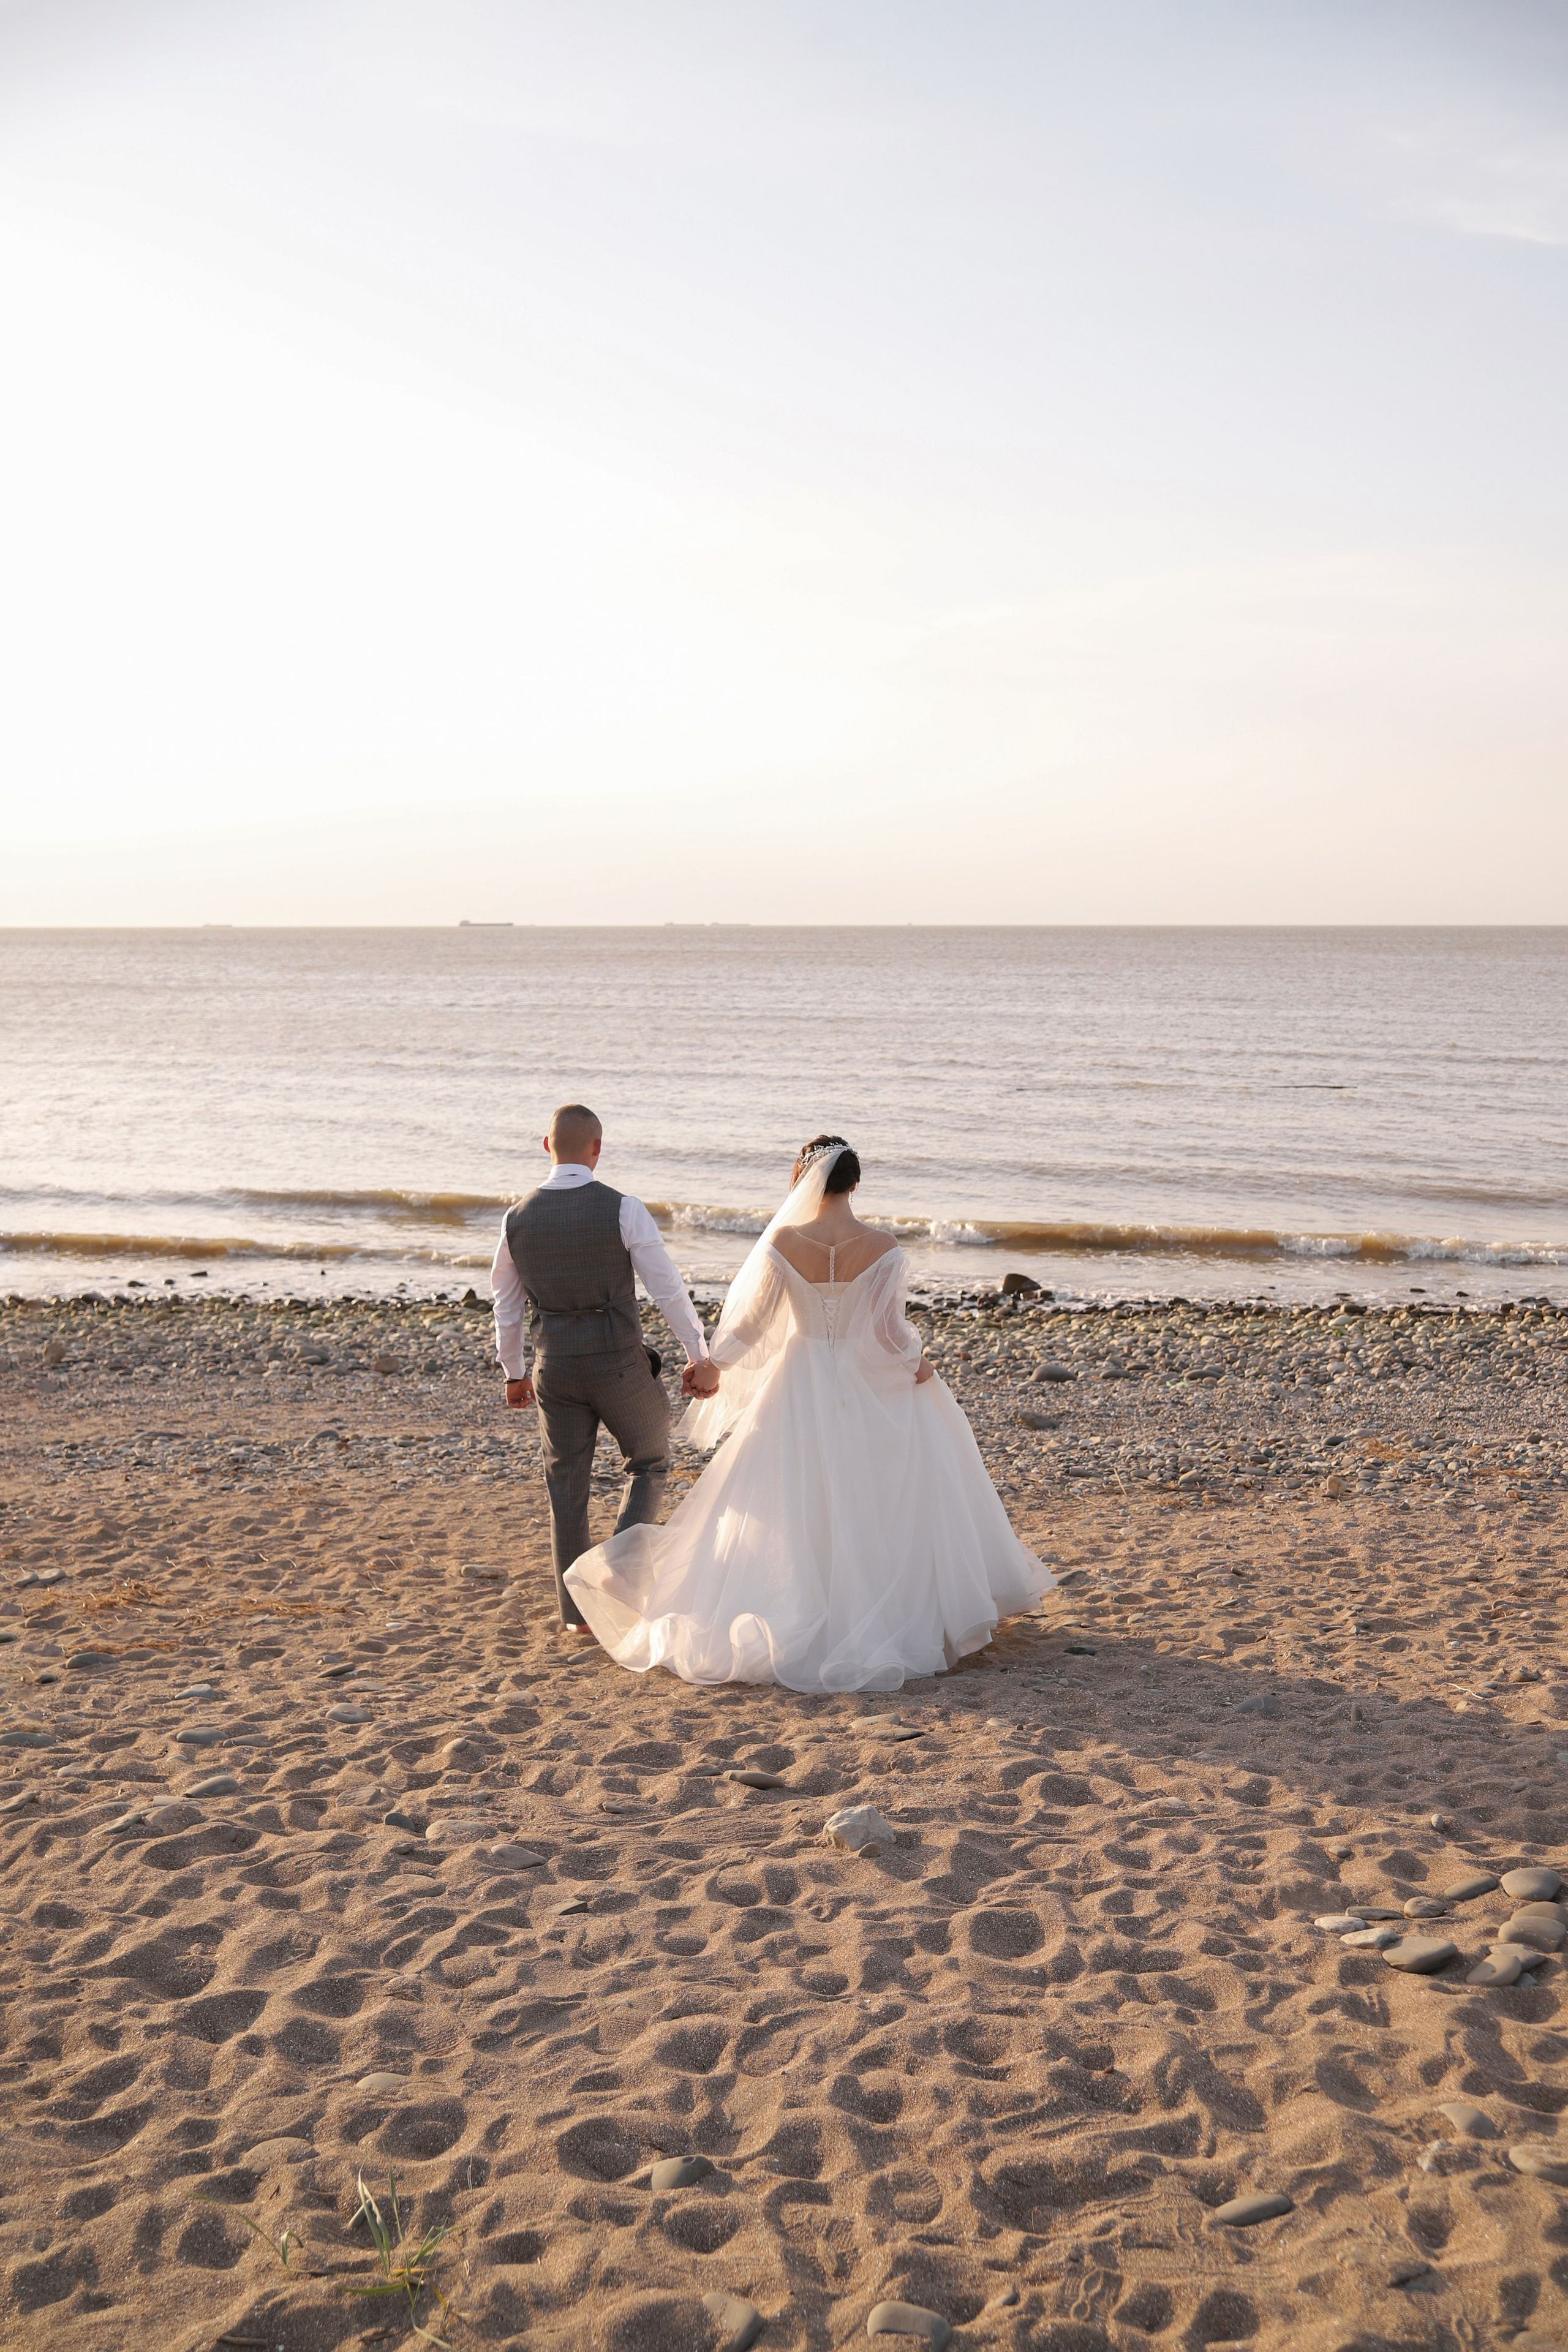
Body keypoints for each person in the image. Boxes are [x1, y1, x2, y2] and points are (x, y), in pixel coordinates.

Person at [564, 1135, 1050, 1689]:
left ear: (802, 1180)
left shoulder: (785, 1242)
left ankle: (790, 1596)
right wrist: (920, 1368)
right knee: (873, 1491)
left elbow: (753, 1324)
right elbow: (890, 1335)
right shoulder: (884, 1246)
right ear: (856, 1183)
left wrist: (713, 1366)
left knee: (792, 1492)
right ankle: (889, 1610)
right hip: (860, 1385)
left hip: (797, 1380)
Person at [492, 1103, 718, 1629]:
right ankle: (618, 1570)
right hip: (617, 1362)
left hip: (554, 1367)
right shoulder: (623, 1208)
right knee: (651, 1460)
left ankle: (575, 1615)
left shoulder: (516, 1217)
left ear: (546, 1147)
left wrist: (513, 1371)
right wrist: (698, 1355)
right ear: (597, 1148)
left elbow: (505, 1302)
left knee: (565, 1485)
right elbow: (667, 1287)